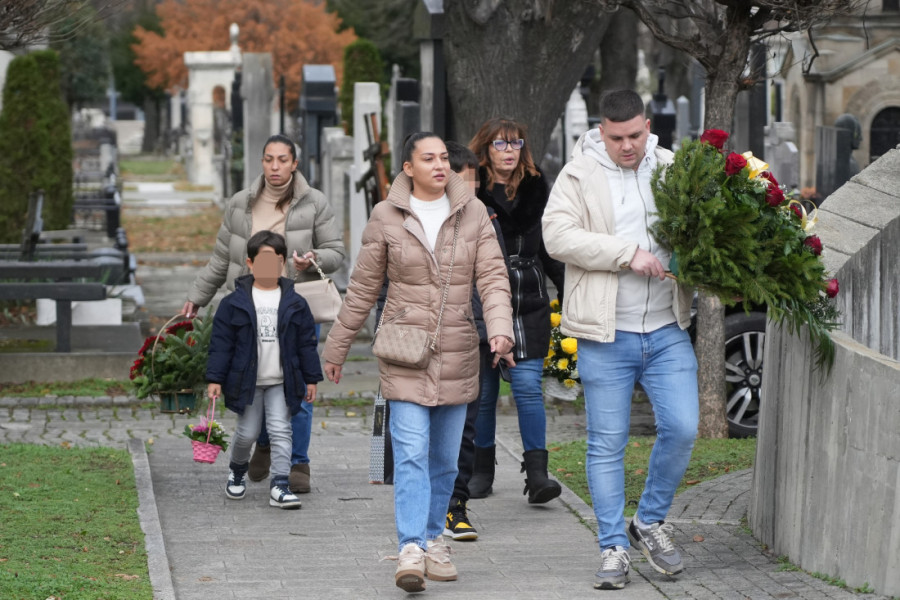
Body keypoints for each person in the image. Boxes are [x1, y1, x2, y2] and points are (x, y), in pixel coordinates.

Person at [322, 132, 514, 592]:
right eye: (428, 158)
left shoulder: (473, 214)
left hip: (458, 352)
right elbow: (364, 287)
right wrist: (336, 347)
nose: (439, 165)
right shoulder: (386, 216)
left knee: (446, 460)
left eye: (444, 157)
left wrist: (501, 328)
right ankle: (410, 547)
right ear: (408, 167)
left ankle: (433, 540)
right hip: (404, 353)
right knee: (410, 453)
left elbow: (492, 275)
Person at [542, 89, 698, 590]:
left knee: (682, 429)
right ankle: (612, 545)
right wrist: (625, 252)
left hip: (667, 329)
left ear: (648, 125)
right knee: (607, 444)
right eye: (616, 138)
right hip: (605, 334)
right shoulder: (579, 173)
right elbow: (557, 236)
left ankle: (648, 521)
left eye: (635, 135)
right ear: (601, 132)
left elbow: (696, 230)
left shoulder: (672, 166)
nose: (627, 146)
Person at [182, 133, 345, 495]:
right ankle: (265, 444)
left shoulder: (314, 203)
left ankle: (298, 461)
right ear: (262, 162)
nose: (275, 167)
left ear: (294, 163)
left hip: (294, 307)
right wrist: (198, 296)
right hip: (248, 308)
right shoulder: (240, 203)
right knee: (255, 380)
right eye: (269, 159)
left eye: (282, 160)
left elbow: (336, 251)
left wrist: (314, 258)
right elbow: (222, 258)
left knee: (297, 384)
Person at [467, 117, 565, 504]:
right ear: (486, 149)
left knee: (527, 388)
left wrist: (570, 292)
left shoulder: (538, 189)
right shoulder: (472, 193)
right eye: (501, 144)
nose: (509, 152)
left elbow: (551, 250)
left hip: (529, 301)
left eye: (516, 144)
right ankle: (480, 471)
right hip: (485, 297)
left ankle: (538, 475)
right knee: (485, 393)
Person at [206, 230, 323, 509]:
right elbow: (221, 344)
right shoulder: (233, 303)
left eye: (276, 261)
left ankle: (280, 484)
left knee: (282, 430)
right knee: (247, 433)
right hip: (248, 381)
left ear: (283, 262)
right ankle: (237, 470)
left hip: (282, 380)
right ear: (250, 263)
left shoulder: (295, 303)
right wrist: (215, 378)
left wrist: (311, 379)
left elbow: (307, 343)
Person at [441, 141, 506, 541]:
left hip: (472, 337)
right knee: (423, 428)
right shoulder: (405, 218)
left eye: (474, 182)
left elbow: (494, 279)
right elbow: (381, 287)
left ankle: (455, 505)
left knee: (466, 426)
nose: (468, 191)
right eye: (458, 183)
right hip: (422, 341)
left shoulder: (485, 218)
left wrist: (498, 331)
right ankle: (423, 504)